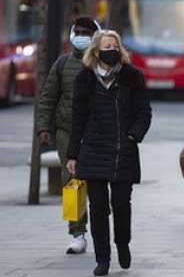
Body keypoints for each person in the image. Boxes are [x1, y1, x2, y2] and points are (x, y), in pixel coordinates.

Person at [66, 30, 152, 276]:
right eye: (106, 46)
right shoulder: (85, 79)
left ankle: (123, 243)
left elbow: (144, 112)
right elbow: (78, 119)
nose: (111, 50)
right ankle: (102, 258)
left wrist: (133, 136)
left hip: (122, 151)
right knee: (99, 208)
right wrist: (73, 154)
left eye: (115, 45)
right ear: (95, 50)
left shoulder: (132, 77)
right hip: (93, 151)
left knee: (122, 204)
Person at [35, 16, 101, 254]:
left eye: (87, 32)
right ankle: (77, 232)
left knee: (97, 183)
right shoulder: (62, 64)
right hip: (67, 132)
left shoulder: (104, 62)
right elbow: (48, 97)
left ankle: (101, 229)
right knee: (71, 182)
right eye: (79, 31)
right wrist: (44, 127)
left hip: (97, 134)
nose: (82, 36)